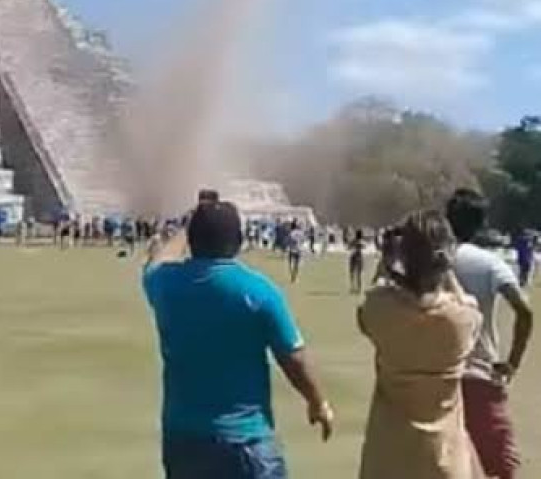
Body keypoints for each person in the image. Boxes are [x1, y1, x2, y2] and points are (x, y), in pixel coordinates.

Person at [143, 199, 332, 478]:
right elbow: (293, 357)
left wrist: (185, 230)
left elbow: (156, 259)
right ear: (239, 240)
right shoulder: (257, 291)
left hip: (183, 439)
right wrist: (317, 402)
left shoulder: (164, 284)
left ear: (192, 239)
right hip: (245, 441)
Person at [357, 209, 483, 479]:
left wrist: (388, 262)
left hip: (386, 459)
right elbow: (465, 303)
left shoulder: (381, 309)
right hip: (445, 461)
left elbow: (369, 305)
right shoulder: (461, 319)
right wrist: (446, 273)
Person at [447, 189, 533, 479]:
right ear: (482, 223)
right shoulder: (487, 262)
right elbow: (524, 310)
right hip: (479, 375)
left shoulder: (430, 261)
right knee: (501, 468)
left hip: (432, 379)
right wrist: (512, 363)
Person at [348, 229, 366, 295]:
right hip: (360, 258)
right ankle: (359, 288)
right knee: (359, 274)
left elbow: (349, 247)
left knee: (352, 273)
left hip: (353, 257)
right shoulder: (362, 242)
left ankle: (352, 287)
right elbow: (364, 248)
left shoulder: (354, 241)